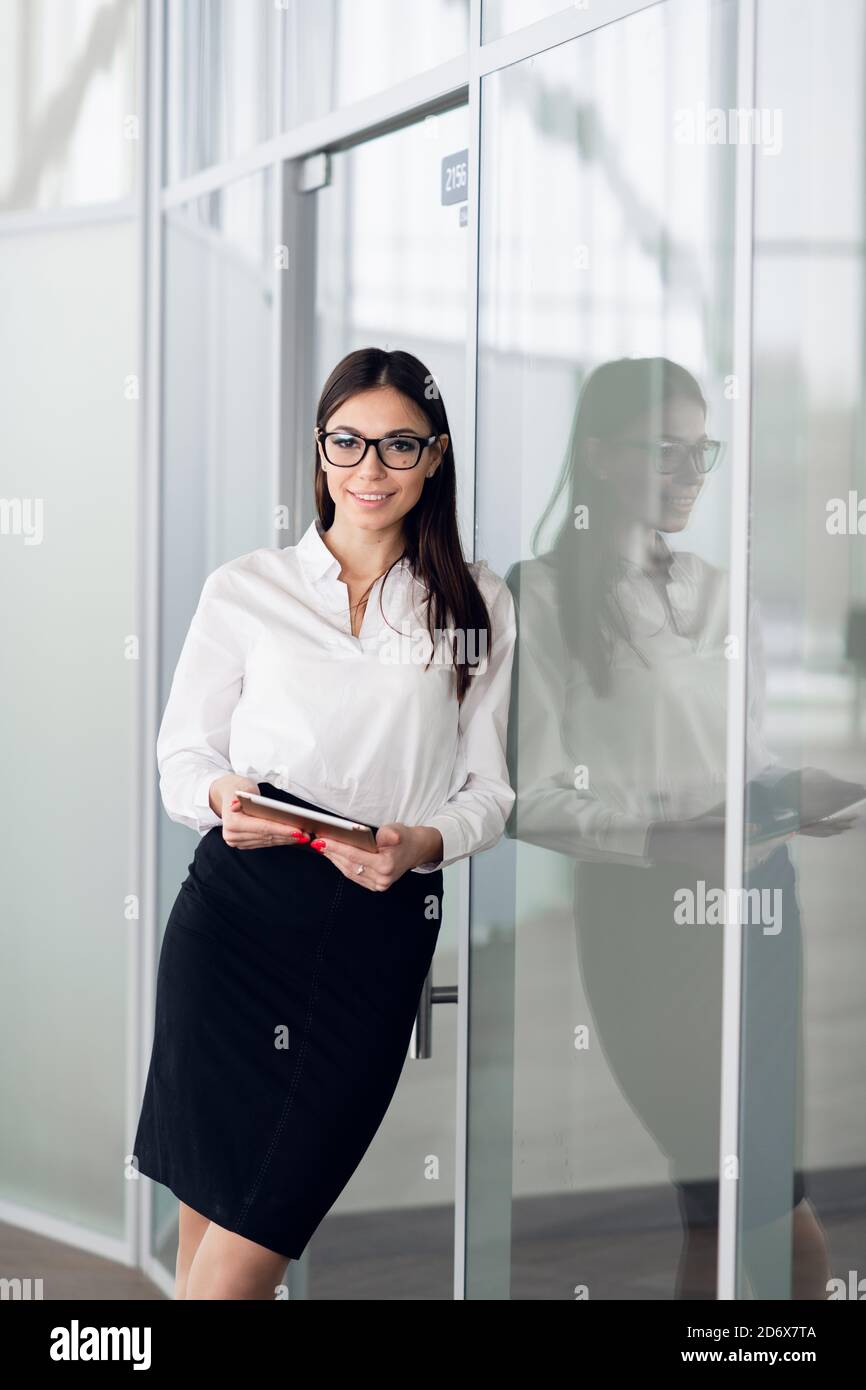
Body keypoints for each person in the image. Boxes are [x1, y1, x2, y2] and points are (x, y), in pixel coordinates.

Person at [133, 346, 518, 1300]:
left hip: (371, 931)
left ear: (435, 458)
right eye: (348, 442)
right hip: (234, 915)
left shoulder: (478, 605)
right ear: (320, 451)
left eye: (398, 446)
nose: (370, 469)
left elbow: (490, 792)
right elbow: (184, 756)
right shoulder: (246, 587)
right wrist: (226, 800)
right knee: (207, 1233)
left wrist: (421, 846)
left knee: (246, 1241)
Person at [506, 356, 842, 1298]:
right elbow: (526, 795)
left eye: (704, 451)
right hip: (648, 920)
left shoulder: (723, 590)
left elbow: (745, 761)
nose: (692, 473)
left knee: (736, 1199)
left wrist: (798, 790)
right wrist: (663, 841)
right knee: (752, 1200)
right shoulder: (539, 595)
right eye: (668, 451)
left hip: (759, 901)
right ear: (603, 455)